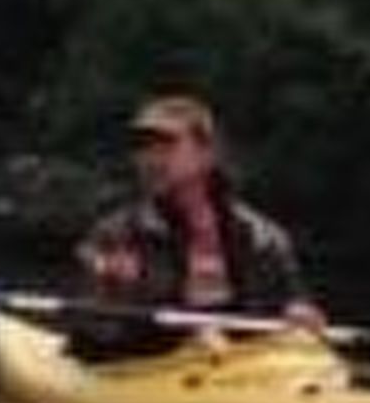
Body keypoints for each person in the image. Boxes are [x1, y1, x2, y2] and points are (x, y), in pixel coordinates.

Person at [65, 93, 324, 362]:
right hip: (152, 372)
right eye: (143, 147)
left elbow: (292, 303)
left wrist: (299, 312)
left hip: (244, 371)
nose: (150, 159)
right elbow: (86, 339)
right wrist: (123, 298)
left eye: (167, 145)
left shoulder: (262, 237)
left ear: (207, 154)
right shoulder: (113, 236)